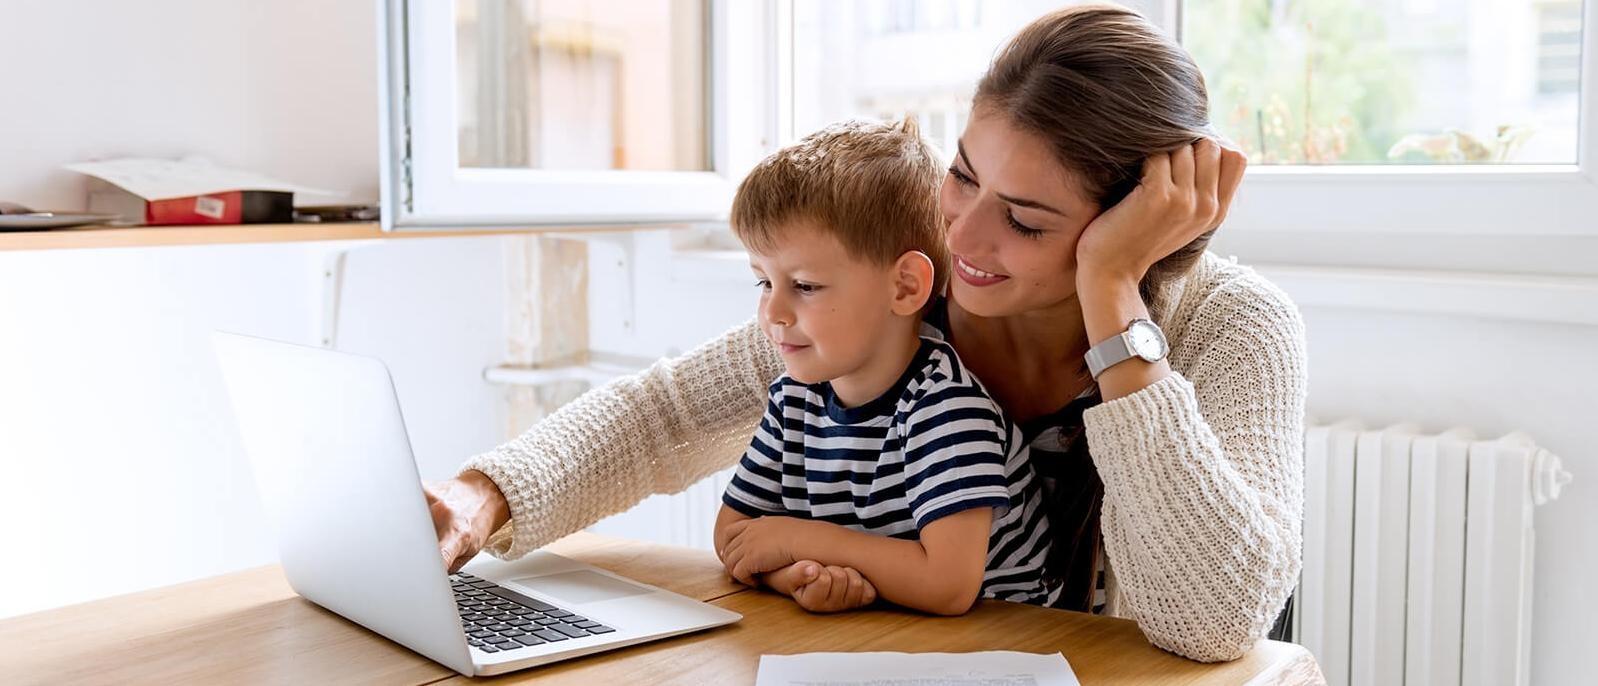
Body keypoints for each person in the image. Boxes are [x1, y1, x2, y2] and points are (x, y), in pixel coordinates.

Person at [425, 3, 1306, 663]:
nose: (960, 238)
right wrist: (479, 499)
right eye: (963, 176)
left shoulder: (1231, 328)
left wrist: (1113, 294)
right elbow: (667, 415)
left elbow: (1211, 621)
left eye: (1027, 222)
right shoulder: (906, 281)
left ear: (1137, 223)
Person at [712, 118, 1057, 615]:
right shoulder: (794, 399)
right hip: (889, 639)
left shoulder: (947, 409)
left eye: (805, 286)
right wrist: (797, 574)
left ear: (905, 288)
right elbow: (736, 536)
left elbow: (947, 585)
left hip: (1005, 647)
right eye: (763, 282)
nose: (773, 313)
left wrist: (799, 539)